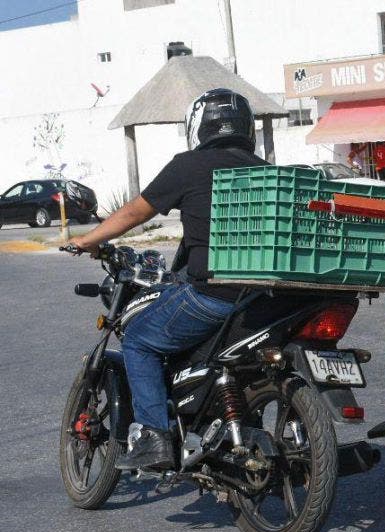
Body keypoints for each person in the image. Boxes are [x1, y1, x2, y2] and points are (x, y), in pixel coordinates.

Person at [68, 88, 267, 470]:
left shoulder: (187, 165)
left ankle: (155, 437)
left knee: (140, 340)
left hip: (214, 292)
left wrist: (87, 240)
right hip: (260, 295)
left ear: (198, 127)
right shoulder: (263, 168)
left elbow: (133, 214)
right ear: (246, 127)